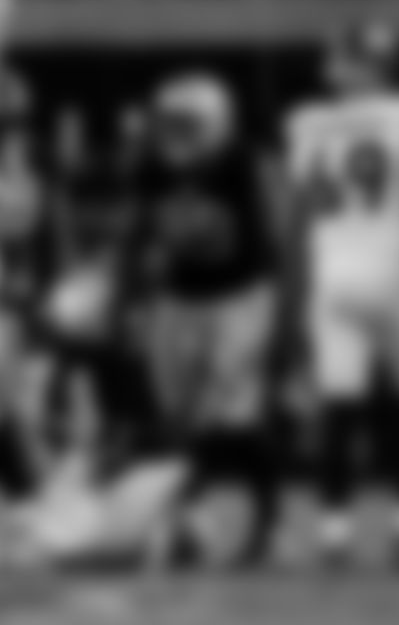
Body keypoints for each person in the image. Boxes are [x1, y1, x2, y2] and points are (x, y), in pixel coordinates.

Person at [282, 22, 399, 572]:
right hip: (394, 270)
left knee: (340, 408)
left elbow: (294, 221)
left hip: (331, 275)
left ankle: (333, 534)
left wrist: (293, 298)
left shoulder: (306, 124)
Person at [129, 72, 286, 568]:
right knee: (179, 420)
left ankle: (265, 526)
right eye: (168, 123)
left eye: (186, 124)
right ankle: (188, 527)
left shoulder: (242, 164)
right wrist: (128, 295)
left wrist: (283, 317)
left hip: (239, 297)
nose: (174, 134)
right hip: (179, 300)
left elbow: (267, 241)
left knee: (232, 421)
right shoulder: (152, 163)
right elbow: (139, 230)